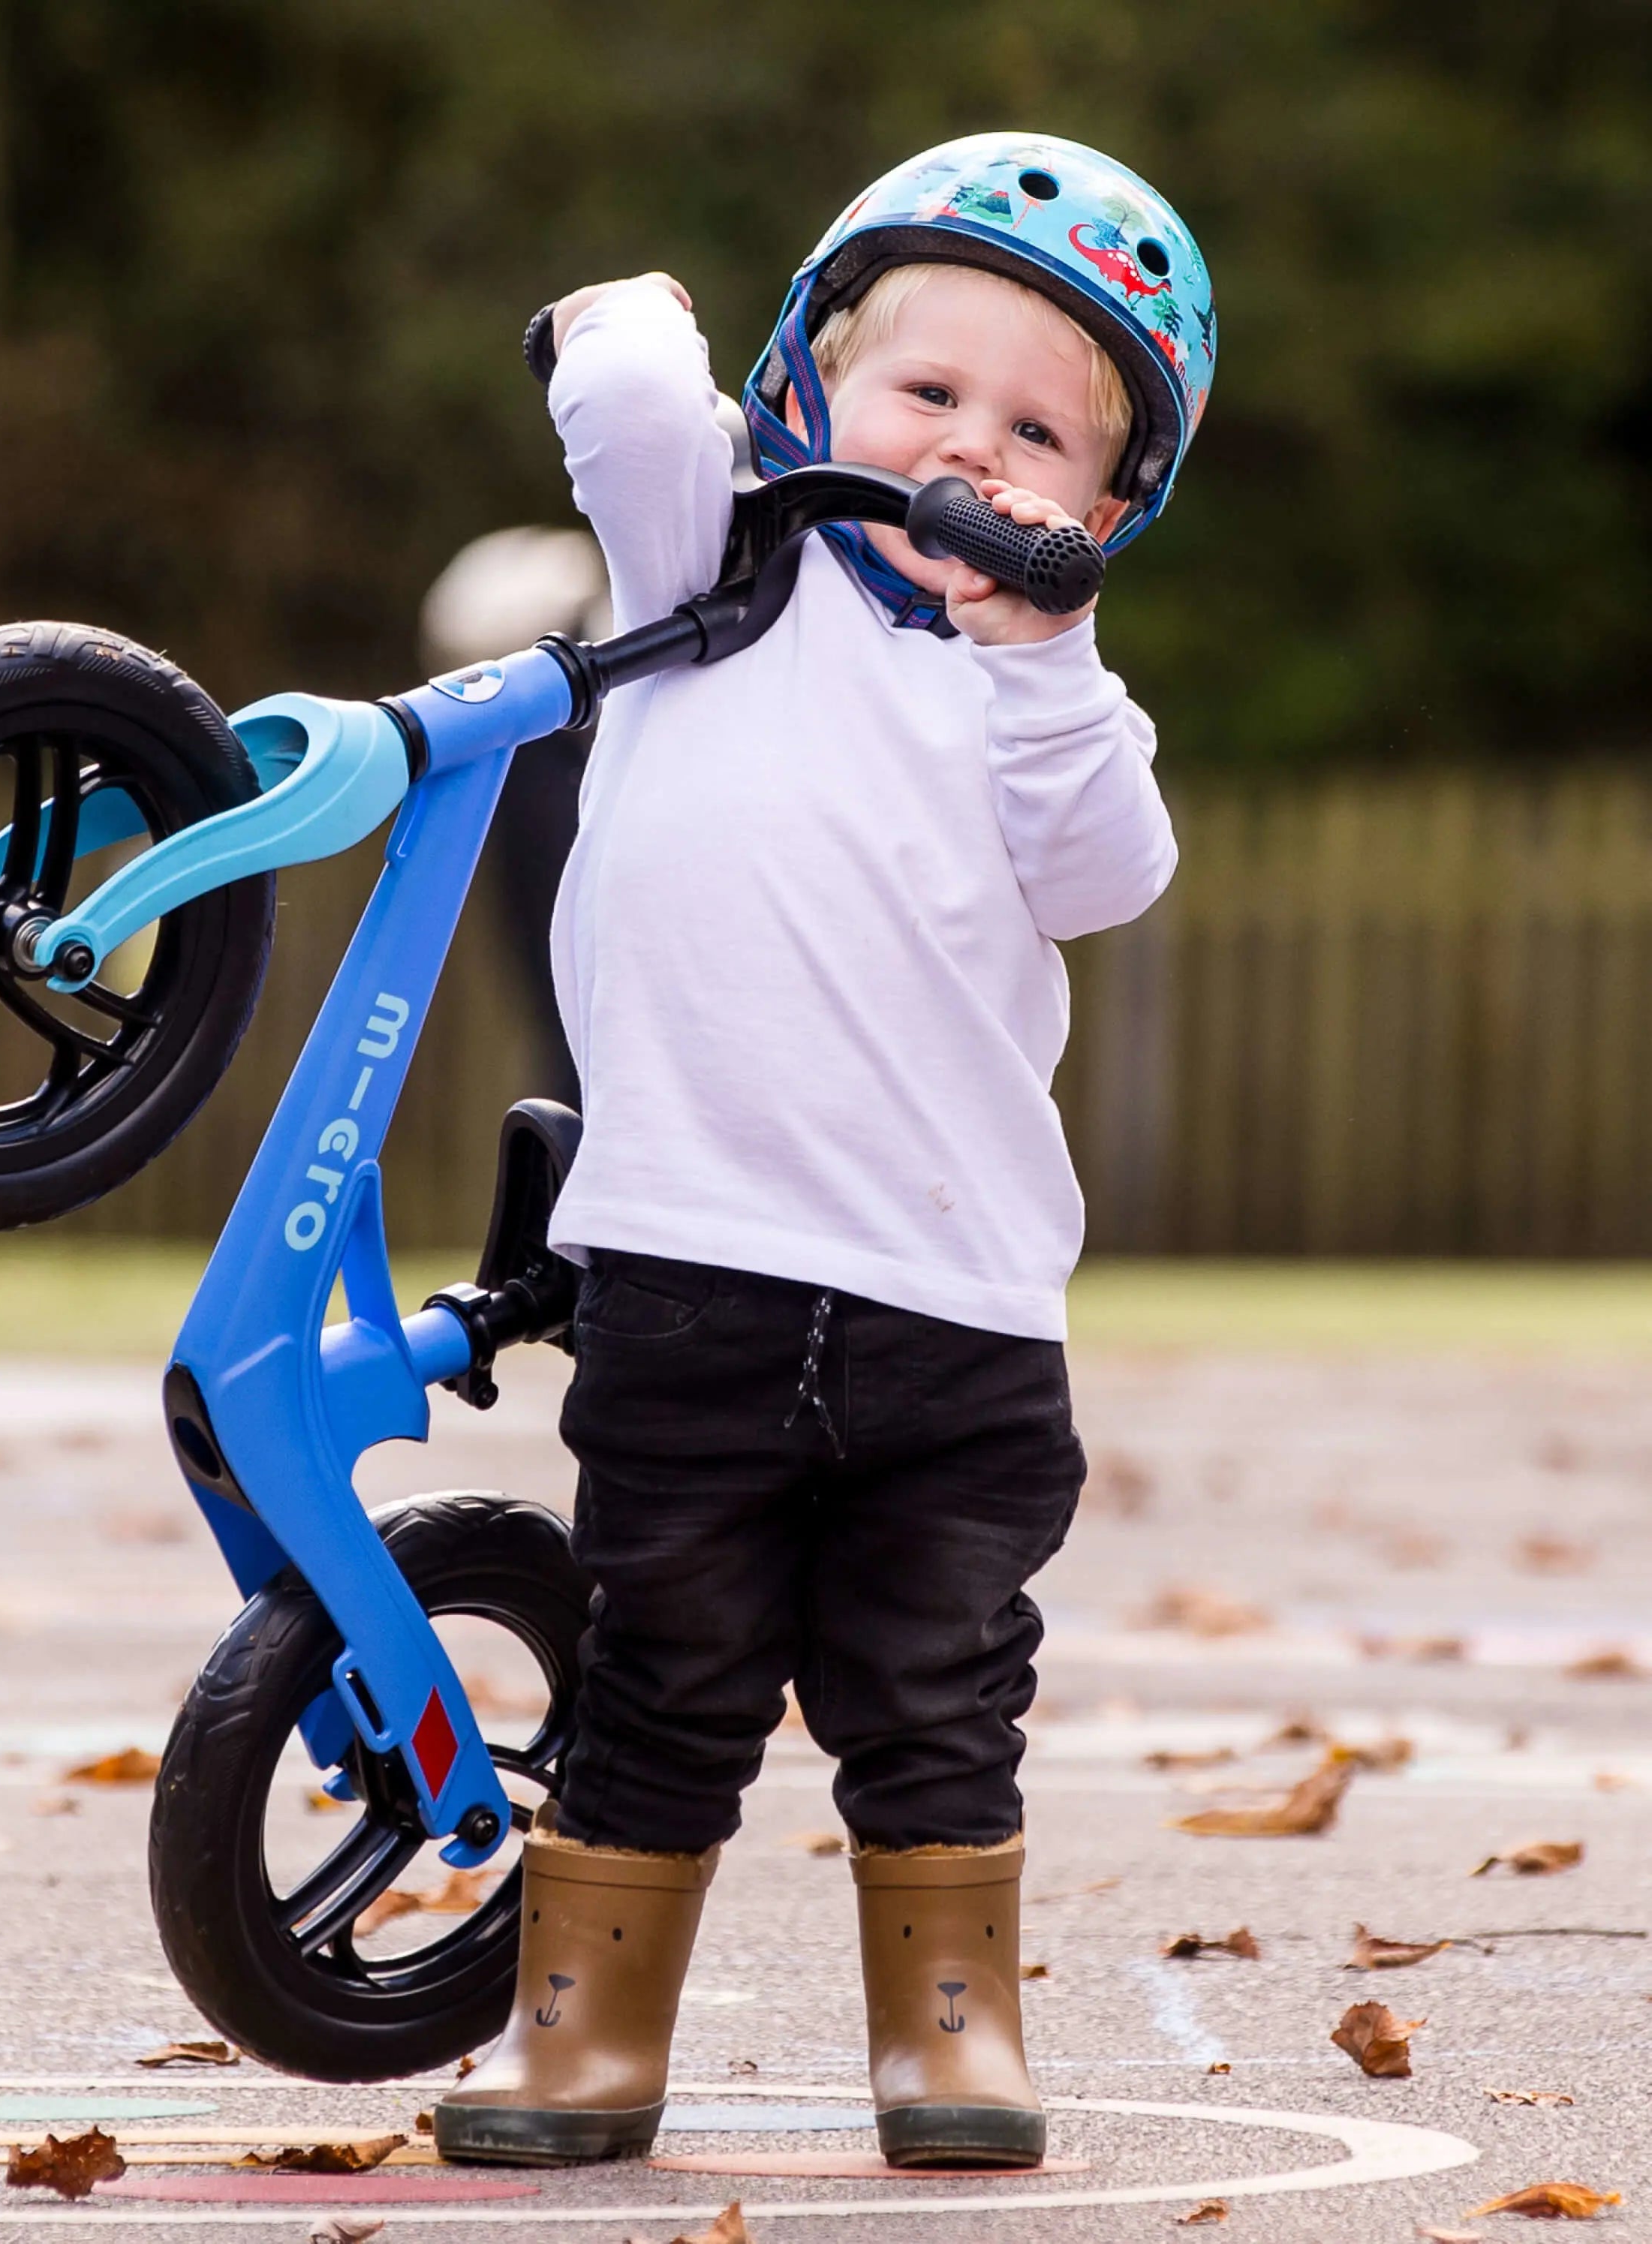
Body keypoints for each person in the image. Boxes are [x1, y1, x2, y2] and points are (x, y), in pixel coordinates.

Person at [436, 132, 1216, 2172]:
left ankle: (949, 2030)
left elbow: (1111, 872)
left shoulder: (1042, 700)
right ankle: (583, 2036)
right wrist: (637, 321)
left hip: (951, 1312)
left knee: (938, 1683)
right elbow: (615, 406)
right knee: (662, 1671)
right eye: (927, 391)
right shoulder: (722, 565)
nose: (972, 448)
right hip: (693, 1268)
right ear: (807, 387)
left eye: (1043, 431)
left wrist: (1045, 642)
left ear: (1112, 509)